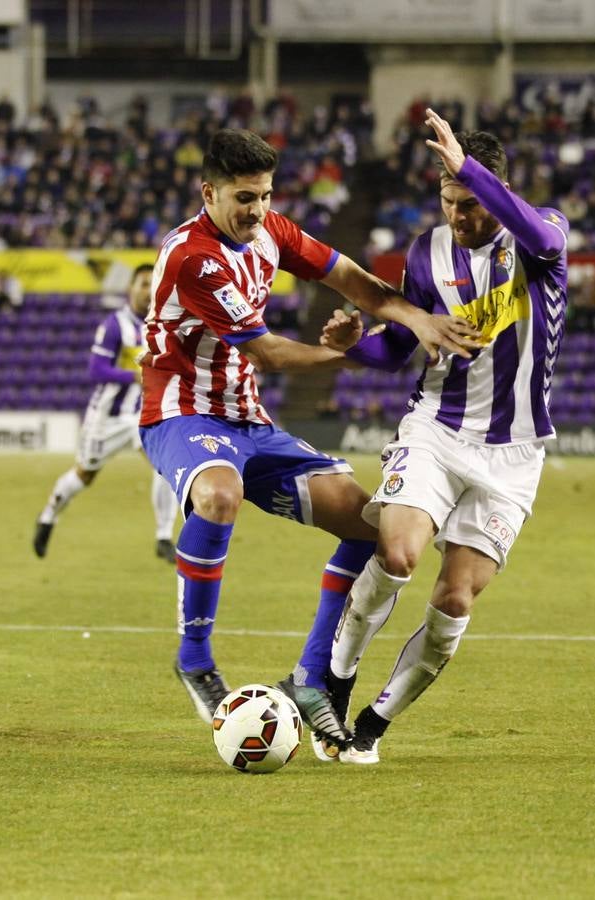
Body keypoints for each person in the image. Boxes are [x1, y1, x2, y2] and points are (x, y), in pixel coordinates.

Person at [137, 128, 479, 747]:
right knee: (218, 495)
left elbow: (351, 278)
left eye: (265, 195)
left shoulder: (271, 232)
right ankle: (194, 658)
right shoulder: (193, 257)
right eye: (245, 197)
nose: (258, 210)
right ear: (209, 192)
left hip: (249, 421)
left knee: (372, 524)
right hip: (182, 412)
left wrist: (416, 317)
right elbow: (266, 352)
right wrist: (339, 354)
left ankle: (306, 675)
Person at [315, 110, 569, 764]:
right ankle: (335, 687)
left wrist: (473, 172)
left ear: (492, 194)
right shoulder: (425, 253)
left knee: (454, 598)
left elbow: (539, 233)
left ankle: (373, 724)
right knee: (397, 555)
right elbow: (403, 343)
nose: (460, 215)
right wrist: (353, 348)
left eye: (472, 203)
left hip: (513, 455)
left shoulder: (542, 238)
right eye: (449, 201)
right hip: (436, 428)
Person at [33, 265, 180, 562]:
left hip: (142, 416)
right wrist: (133, 377)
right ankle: (48, 515)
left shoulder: (162, 326)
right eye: (143, 283)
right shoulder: (115, 325)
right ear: (131, 288)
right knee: (85, 474)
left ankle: (163, 537)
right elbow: (96, 369)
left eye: (153, 284)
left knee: (166, 467)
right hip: (106, 418)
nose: (148, 289)